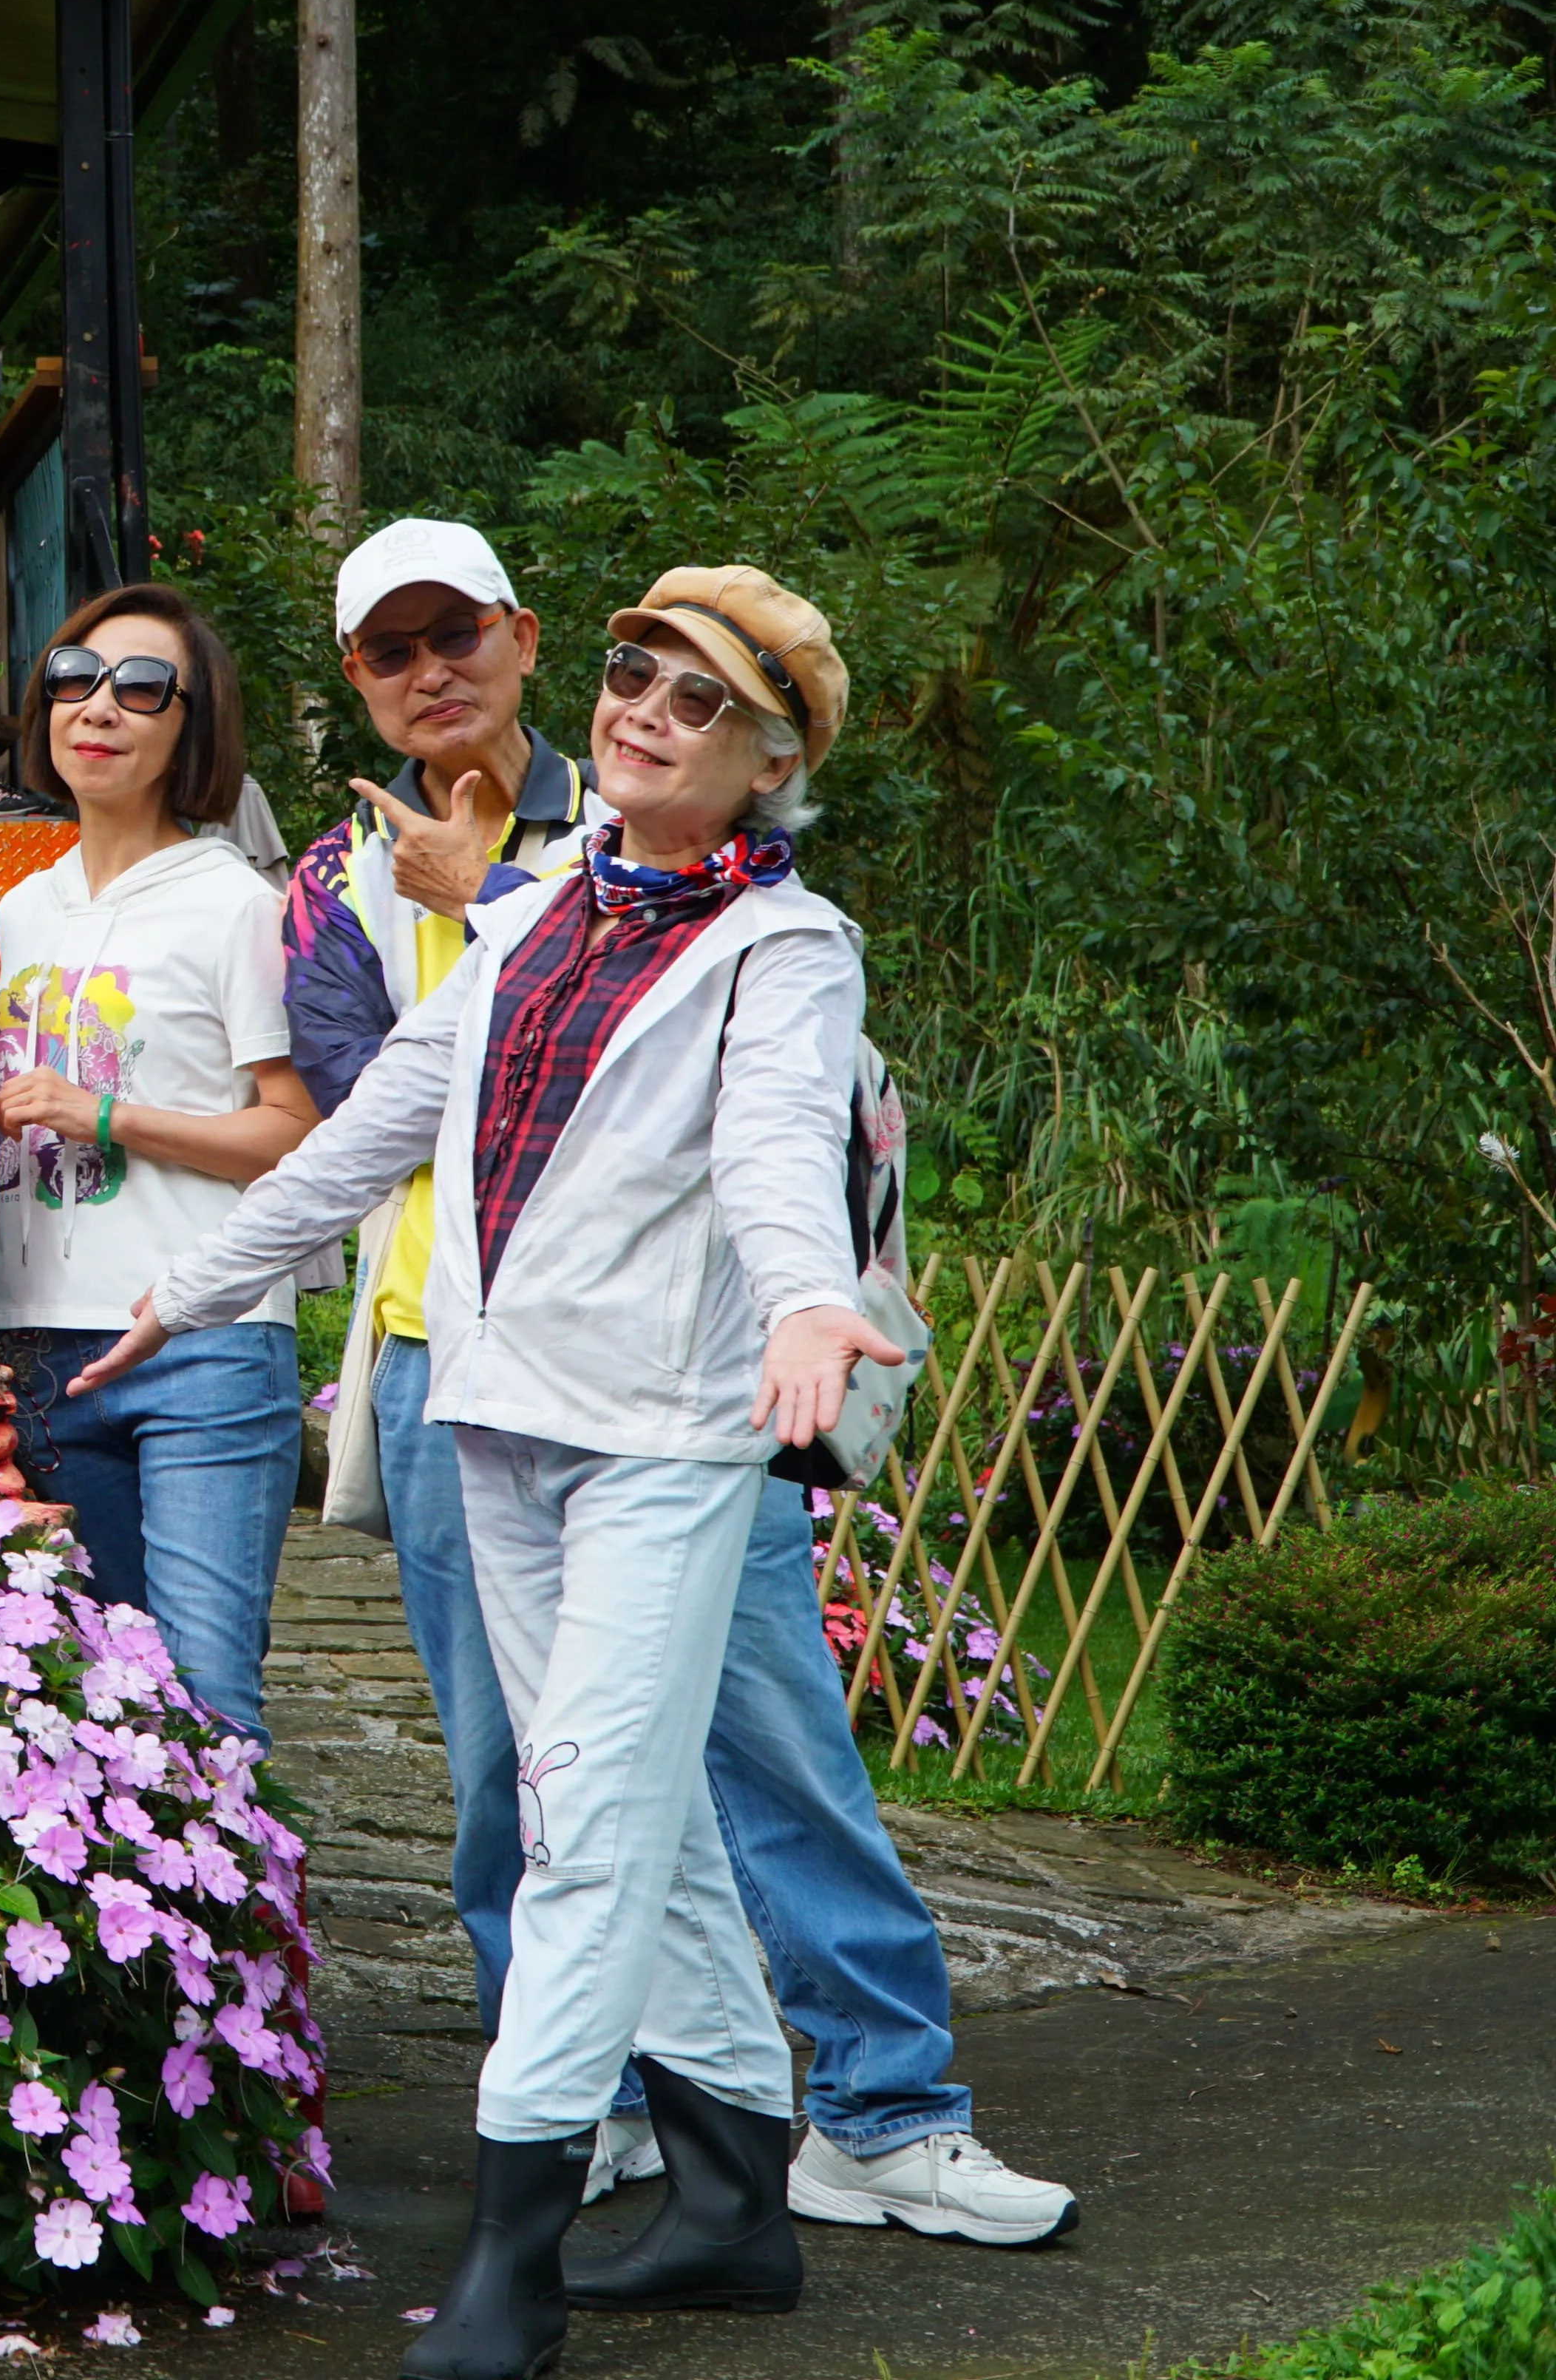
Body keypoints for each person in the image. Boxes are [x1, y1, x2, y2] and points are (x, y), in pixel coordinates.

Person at [87, 564, 909, 2376]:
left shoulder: (787, 944)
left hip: (666, 1437)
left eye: (700, 702)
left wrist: (809, 1304)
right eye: (635, 672)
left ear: (770, 760)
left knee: (587, 1818)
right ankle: (730, 2205)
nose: (642, 711)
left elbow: (779, 1154)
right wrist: (197, 1287)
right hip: (500, 1416)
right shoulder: (537, 902)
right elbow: (377, 1127)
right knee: (630, 1810)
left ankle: (512, 2253)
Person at [287, 520, 1076, 2251]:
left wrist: (484, 895)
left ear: (523, 633)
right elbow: (362, 1093)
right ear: (358, 675)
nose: (431, 671)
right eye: (388, 648)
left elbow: (749, 1101)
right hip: (451, 1365)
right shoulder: (337, 869)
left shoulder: (641, 794)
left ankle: (884, 2107)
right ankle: (610, 2105)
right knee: (522, 1783)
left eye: (458, 633)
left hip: (687, 1392)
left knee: (773, 1740)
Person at [0, 584, 317, 1746]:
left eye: (142, 687)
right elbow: (42, 1108)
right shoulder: (25, 909)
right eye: (74, 679)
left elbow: (294, 1134)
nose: (99, 707)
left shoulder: (236, 904)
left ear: (192, 730)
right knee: (93, 1700)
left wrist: (109, 1113)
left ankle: (247, 1926)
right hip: (40, 1337)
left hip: (202, 1340)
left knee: (204, 1699)